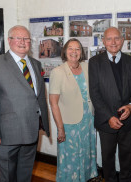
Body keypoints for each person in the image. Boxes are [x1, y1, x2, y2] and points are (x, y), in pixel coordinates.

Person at [0, 25, 50, 182]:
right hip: (6, 137)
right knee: (6, 178)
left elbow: (38, 97)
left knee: (25, 176)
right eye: (18, 38)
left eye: (26, 39)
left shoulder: (36, 64)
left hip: (31, 133)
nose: (23, 42)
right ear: (9, 40)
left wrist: (43, 124)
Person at [88, 27, 131, 182]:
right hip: (106, 121)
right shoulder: (94, 62)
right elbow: (95, 93)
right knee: (107, 159)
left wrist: (130, 106)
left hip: (127, 120)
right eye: (109, 39)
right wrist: (109, 116)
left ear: (122, 41)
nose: (113, 42)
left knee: (127, 158)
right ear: (103, 41)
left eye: (117, 38)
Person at [49, 38, 98, 182]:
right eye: (70, 48)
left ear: (81, 52)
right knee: (70, 158)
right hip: (69, 125)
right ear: (65, 51)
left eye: (77, 49)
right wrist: (60, 128)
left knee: (86, 155)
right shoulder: (58, 72)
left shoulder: (87, 67)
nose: (74, 52)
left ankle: (85, 178)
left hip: (88, 121)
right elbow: (53, 103)